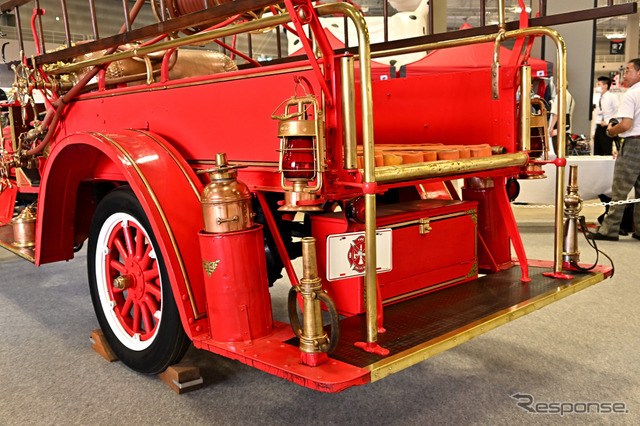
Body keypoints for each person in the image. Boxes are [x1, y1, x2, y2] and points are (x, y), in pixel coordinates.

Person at [589, 59, 640, 241]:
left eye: (628, 71)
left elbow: (626, 124)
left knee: (620, 189)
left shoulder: (631, 94)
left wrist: (611, 131)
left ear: (639, 73)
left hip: (633, 144)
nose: (624, 75)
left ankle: (609, 230)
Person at [593, 76, 619, 155]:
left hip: (607, 127)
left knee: (606, 150)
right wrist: (594, 131)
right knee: (597, 152)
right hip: (599, 126)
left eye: (599, 84)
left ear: (605, 86)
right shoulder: (599, 98)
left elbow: (618, 112)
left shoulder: (612, 97)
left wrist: (608, 122)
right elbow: (596, 115)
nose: (598, 87)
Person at [548, 85, 575, 155]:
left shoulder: (560, 95)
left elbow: (556, 113)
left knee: (558, 152)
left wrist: (551, 127)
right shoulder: (570, 96)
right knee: (564, 151)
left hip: (558, 127)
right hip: (566, 127)